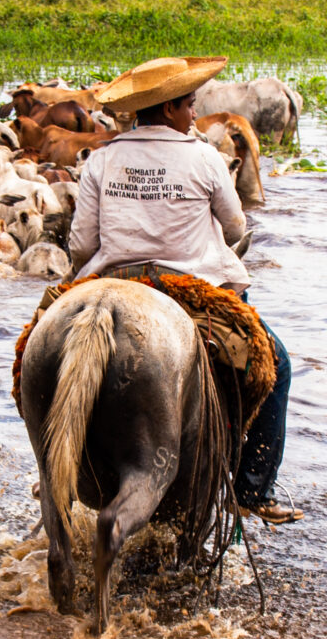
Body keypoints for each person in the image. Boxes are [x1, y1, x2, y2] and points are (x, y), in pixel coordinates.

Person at [70, 55, 299, 523]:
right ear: (170, 108)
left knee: (39, 349)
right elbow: (236, 228)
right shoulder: (204, 158)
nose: (195, 114)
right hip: (192, 290)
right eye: (190, 105)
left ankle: (55, 471)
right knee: (275, 365)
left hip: (112, 285)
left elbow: (81, 245)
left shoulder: (102, 159)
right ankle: (252, 490)